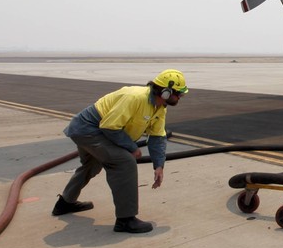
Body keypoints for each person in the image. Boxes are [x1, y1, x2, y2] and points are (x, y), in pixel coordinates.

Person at [51, 69, 188, 233]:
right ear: (166, 92)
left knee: (92, 165)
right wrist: (132, 148)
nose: (180, 97)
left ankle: (65, 203)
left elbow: (158, 137)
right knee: (124, 162)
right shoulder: (135, 98)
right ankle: (125, 219)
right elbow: (109, 126)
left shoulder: (159, 108)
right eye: (179, 94)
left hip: (98, 132)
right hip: (88, 130)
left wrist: (159, 165)